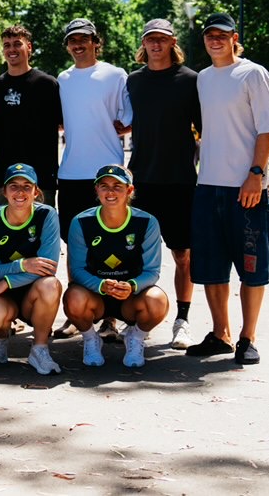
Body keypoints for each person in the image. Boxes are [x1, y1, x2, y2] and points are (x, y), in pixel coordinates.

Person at [185, 13, 269, 365]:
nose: (215, 40)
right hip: (208, 184)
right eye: (210, 35)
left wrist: (256, 174)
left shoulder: (253, 74)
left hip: (245, 187)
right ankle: (221, 334)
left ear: (234, 37)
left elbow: (268, 128)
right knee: (211, 266)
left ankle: (248, 337)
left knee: (252, 266)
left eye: (222, 35)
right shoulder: (205, 79)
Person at [126, 19, 201, 350]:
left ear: (172, 42)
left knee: (183, 255)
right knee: (137, 257)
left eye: (162, 39)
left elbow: (206, 128)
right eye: (150, 39)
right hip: (143, 179)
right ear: (144, 44)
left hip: (181, 179)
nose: (156, 44)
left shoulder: (190, 80)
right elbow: (123, 121)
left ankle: (182, 321)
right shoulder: (133, 82)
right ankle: (137, 323)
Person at [56, 18, 132, 342]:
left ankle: (111, 319)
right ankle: (77, 314)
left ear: (95, 41)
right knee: (75, 247)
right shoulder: (62, 79)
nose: (78, 44)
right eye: (72, 40)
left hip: (108, 175)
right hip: (70, 172)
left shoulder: (116, 75)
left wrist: (114, 128)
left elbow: (128, 119)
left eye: (83, 39)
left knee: (111, 246)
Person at [63, 165, 169, 368]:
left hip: (131, 297)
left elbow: (152, 271)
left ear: (129, 190)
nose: (110, 192)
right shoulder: (81, 222)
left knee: (157, 301)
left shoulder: (147, 222)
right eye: (104, 186)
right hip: (95, 295)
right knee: (73, 298)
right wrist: (101, 284)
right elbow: (76, 270)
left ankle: (135, 337)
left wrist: (132, 285)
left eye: (117, 186)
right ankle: (90, 339)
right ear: (97, 190)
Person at [0, 164, 63, 375]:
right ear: (4, 192)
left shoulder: (47, 215)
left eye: (27, 186)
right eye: (14, 186)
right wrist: (23, 264)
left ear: (36, 191)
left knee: (51, 285)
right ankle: (1, 336)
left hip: (30, 294)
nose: (20, 192)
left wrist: (7, 281)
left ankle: (39, 349)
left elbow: (48, 267)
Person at [0, 25, 62, 204]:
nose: (11, 49)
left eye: (17, 44)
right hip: (5, 178)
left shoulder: (47, 84)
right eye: (7, 45)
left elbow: (62, 124)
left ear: (29, 47)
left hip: (41, 179)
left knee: (41, 231)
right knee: (2, 230)